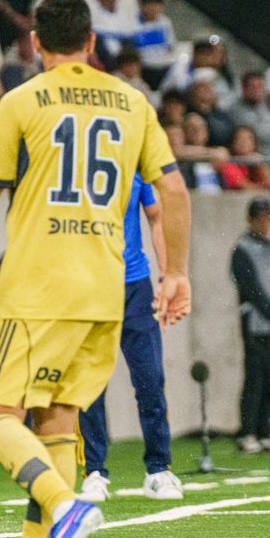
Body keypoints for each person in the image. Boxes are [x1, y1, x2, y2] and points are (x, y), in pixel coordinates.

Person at [0, 0, 190, 538]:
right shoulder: (132, 102)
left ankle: (65, 506)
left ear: (36, 42)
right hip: (108, 289)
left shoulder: (20, 102)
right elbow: (173, 192)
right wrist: (177, 272)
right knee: (57, 421)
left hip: (39, 288)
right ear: (91, 42)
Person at [78, 173, 183, 504]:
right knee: (89, 385)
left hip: (136, 286)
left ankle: (159, 469)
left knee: (151, 379)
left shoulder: (136, 161)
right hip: (89, 285)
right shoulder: (74, 160)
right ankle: (94, 472)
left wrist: (167, 276)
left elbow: (156, 217)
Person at [229, 197, 270, 454]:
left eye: (267, 217)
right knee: (255, 377)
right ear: (250, 219)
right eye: (259, 218)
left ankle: (265, 430)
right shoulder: (243, 250)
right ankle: (248, 431)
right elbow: (252, 290)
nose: (264, 222)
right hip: (256, 324)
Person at [227, 71, 270, 158]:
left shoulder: (264, 106)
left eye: (260, 86)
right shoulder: (235, 109)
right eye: (253, 87)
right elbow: (260, 135)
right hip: (254, 155)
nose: (257, 90)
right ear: (243, 88)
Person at [86, 0, 134, 69]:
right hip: (99, 54)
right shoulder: (90, 7)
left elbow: (128, 35)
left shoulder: (124, 10)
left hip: (120, 56)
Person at [132, 0, 176, 88]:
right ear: (142, 5)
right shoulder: (133, 24)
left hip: (163, 66)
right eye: (150, 5)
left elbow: (171, 46)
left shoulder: (165, 22)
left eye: (157, 5)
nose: (154, 8)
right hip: (144, 67)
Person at [219, 125, 270, 191]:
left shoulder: (257, 161)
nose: (244, 142)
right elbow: (243, 188)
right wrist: (265, 189)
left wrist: (262, 164)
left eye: (248, 139)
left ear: (254, 143)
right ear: (233, 143)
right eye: (239, 139)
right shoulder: (229, 163)